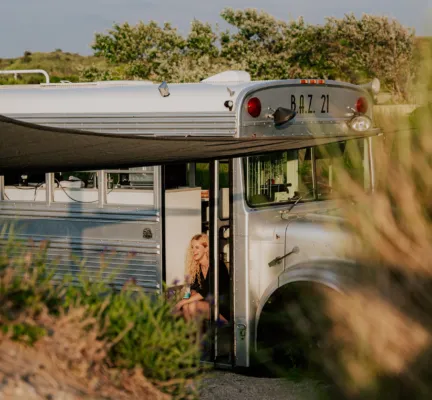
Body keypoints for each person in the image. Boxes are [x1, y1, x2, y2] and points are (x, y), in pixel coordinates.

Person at [174, 233, 230, 323]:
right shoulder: (197, 268)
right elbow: (191, 288)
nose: (193, 251)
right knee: (187, 305)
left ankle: (224, 324)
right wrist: (186, 297)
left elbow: (207, 291)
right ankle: (192, 334)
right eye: (192, 247)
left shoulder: (217, 265)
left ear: (206, 248)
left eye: (197, 247)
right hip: (207, 302)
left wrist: (182, 302)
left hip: (221, 305)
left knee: (191, 305)